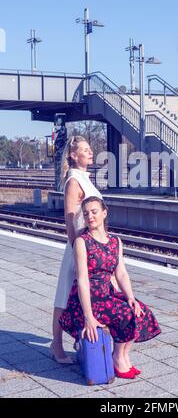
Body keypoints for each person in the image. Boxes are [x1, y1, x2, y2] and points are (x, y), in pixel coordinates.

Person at [59, 196, 161, 379]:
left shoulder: (115, 241)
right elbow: (81, 279)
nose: (90, 216)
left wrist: (130, 297)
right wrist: (88, 316)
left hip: (107, 292)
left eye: (94, 211)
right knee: (124, 315)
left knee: (140, 311)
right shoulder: (82, 242)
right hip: (88, 297)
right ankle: (117, 358)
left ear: (104, 213)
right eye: (86, 213)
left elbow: (121, 272)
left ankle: (122, 355)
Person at [50, 136, 103, 364]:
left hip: (92, 243)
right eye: (85, 150)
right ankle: (57, 344)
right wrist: (75, 249)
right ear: (73, 155)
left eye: (90, 149)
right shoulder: (73, 181)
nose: (90, 152)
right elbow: (70, 219)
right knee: (64, 294)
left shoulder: (84, 178)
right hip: (79, 245)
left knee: (88, 294)